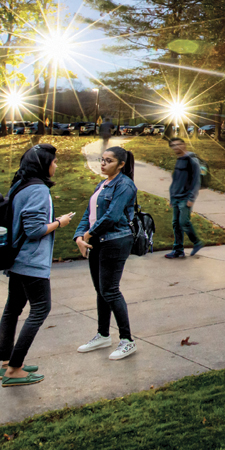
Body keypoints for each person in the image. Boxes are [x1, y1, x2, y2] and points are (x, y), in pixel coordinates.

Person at [0, 144, 76, 387]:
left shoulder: (20, 185)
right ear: (43, 164)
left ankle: (7, 362)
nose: (56, 165)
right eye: (53, 161)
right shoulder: (38, 190)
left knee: (13, 309)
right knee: (41, 309)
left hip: (17, 259)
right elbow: (34, 230)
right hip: (31, 260)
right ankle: (14, 369)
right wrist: (59, 223)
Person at [74, 145, 138, 360]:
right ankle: (103, 335)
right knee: (101, 291)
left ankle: (127, 341)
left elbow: (111, 217)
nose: (103, 163)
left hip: (115, 241)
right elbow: (88, 213)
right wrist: (79, 236)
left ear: (121, 164)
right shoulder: (102, 184)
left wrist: (88, 236)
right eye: (102, 159)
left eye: (109, 161)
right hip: (97, 241)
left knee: (110, 290)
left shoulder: (125, 185)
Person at [164, 136, 203, 258]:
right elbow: (175, 181)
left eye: (178, 144)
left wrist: (191, 198)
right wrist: (171, 197)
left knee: (184, 222)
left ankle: (197, 242)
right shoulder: (179, 159)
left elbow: (197, 180)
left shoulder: (192, 160)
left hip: (185, 198)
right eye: (173, 146)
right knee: (176, 224)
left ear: (184, 145)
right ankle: (178, 250)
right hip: (176, 197)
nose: (176, 147)